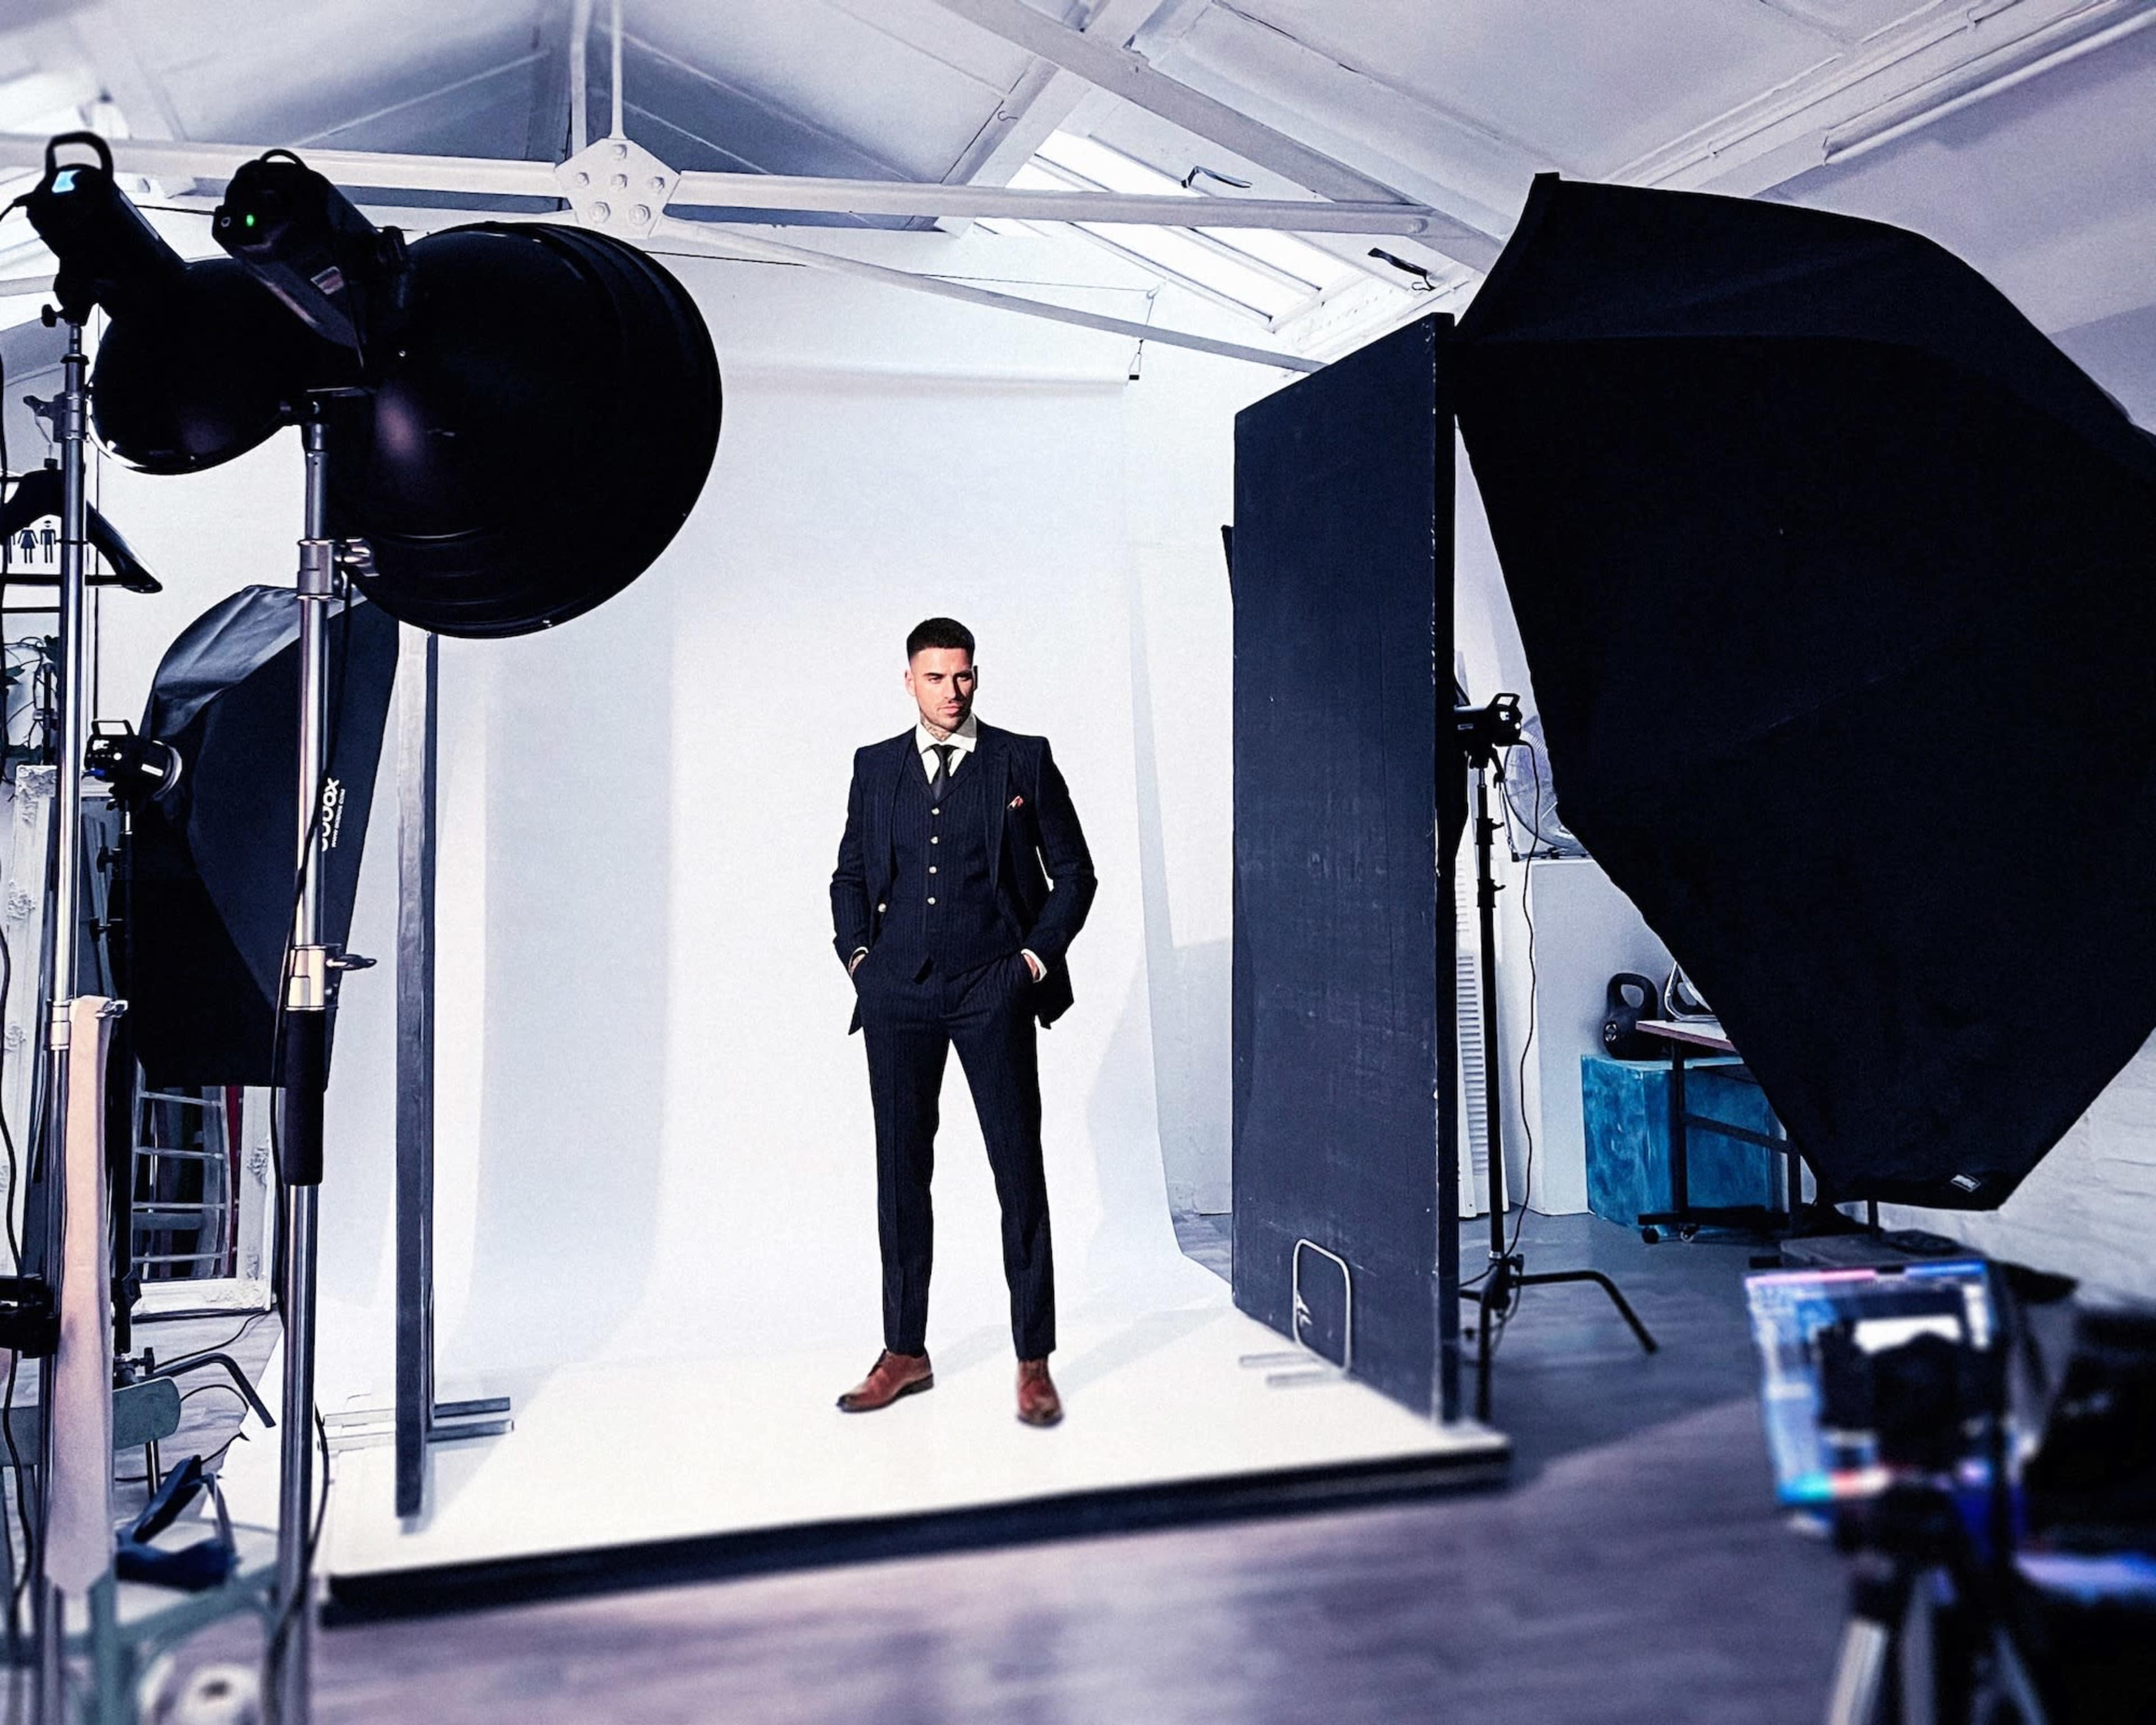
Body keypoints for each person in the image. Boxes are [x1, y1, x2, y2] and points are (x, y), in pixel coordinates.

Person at [829, 617, 1097, 1427]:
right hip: (897, 995)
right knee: (901, 1174)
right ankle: (904, 1351)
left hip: (993, 988)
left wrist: (1032, 963)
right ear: (908, 680)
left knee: (1018, 1170)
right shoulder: (875, 769)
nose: (952, 691)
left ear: (977, 676)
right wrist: (860, 963)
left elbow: (1076, 874)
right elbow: (847, 874)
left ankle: (1033, 1361)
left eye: (964, 676)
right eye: (936, 677)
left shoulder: (1023, 759)